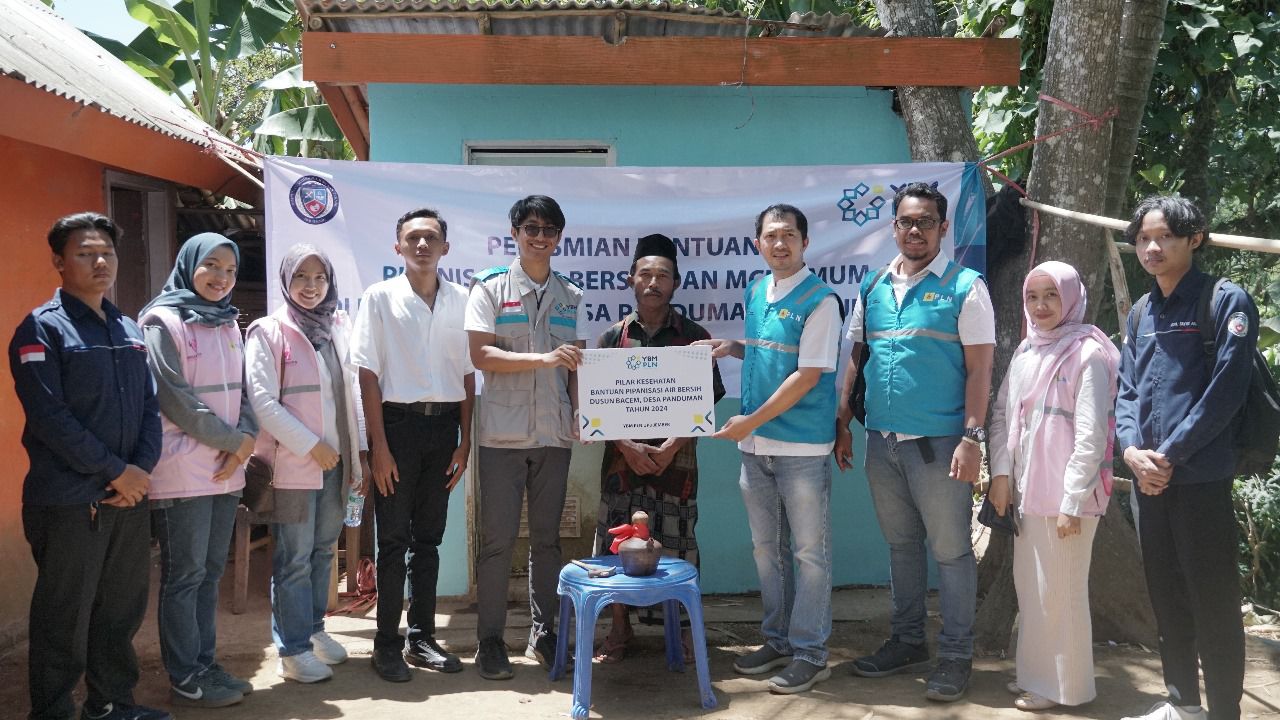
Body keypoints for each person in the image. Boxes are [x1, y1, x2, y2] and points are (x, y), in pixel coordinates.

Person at [834, 182, 994, 702]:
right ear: (893, 226)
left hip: (941, 443)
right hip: (884, 441)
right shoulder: (873, 285)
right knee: (901, 547)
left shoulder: (965, 286)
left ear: (943, 229)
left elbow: (980, 369)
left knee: (950, 553)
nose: (915, 230)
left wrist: (972, 437)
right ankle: (906, 641)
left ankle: (955, 655)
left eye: (926, 222)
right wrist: (842, 422)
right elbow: (856, 358)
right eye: (906, 221)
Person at [11, 212, 168, 720]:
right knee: (65, 614)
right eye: (84, 253)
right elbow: (50, 417)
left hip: (127, 497)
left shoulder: (126, 326)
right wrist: (113, 472)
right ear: (58, 261)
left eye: (107, 252)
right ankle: (54, 711)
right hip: (70, 500)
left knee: (119, 608)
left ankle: (111, 703)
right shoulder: (41, 329)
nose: (100, 262)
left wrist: (139, 472)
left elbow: (149, 407)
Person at [1117, 196, 1255, 720]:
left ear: (1194, 239)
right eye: (1143, 239)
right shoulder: (1140, 311)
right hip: (1148, 483)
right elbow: (1127, 391)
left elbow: (1227, 390)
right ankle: (1182, 706)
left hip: (1200, 479)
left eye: (1164, 237)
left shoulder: (1224, 301)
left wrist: (1168, 455)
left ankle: (1223, 711)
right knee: (1168, 598)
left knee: (1213, 601)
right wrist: (1132, 451)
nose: (1151, 248)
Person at [696, 204, 841, 695]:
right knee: (765, 552)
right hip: (755, 448)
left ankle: (810, 652)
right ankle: (777, 639)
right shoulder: (757, 290)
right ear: (757, 242)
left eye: (790, 236)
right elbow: (769, 350)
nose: (780, 244)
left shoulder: (822, 300)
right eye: (771, 236)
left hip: (800, 446)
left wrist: (749, 421)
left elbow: (807, 374)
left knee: (809, 554)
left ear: (805, 242)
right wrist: (733, 347)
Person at [987, 261, 1119, 712]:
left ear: (1071, 298)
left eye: (1051, 296)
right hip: (1027, 490)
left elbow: (1092, 436)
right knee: (1033, 588)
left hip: (1069, 498)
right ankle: (1037, 677)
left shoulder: (1088, 353)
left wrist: (1071, 502)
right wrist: (1001, 477)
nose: (1041, 306)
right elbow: (1004, 415)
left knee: (1061, 591)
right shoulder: (1027, 351)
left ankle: (1067, 688)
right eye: (1032, 296)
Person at [465, 195, 588, 680]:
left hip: (553, 433)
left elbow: (575, 364)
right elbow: (481, 355)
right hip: (502, 435)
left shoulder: (570, 295)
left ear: (559, 237)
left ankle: (545, 633)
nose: (540, 236)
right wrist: (543, 360)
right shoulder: (489, 289)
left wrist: (581, 413)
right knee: (496, 542)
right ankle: (491, 642)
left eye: (550, 229)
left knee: (547, 541)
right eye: (531, 227)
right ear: (514, 233)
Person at [350, 208, 474, 683]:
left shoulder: (463, 300)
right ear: (397, 247)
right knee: (393, 541)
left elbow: (468, 375)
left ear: (446, 247)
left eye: (431, 238)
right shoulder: (379, 298)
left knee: (429, 540)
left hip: (444, 432)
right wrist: (377, 447)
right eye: (413, 238)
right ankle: (386, 644)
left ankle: (422, 638)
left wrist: (463, 443)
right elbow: (368, 375)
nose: (422, 245)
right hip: (396, 430)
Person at [591, 234, 726, 663]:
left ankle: (683, 631)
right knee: (616, 549)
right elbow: (595, 406)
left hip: (677, 464)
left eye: (662, 275)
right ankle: (618, 631)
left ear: (676, 283)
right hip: (621, 464)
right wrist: (626, 445)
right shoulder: (613, 338)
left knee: (680, 547)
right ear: (630, 279)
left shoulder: (694, 337)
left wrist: (671, 446)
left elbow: (707, 401)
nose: (653, 282)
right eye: (645, 274)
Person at [140, 233, 258, 709]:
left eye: (229, 271)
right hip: (183, 470)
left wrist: (245, 441)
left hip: (227, 471)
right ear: (188, 265)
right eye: (211, 266)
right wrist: (236, 443)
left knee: (210, 574)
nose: (221, 278)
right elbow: (173, 399)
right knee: (184, 575)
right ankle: (185, 674)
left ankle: (207, 664)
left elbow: (246, 391)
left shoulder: (230, 323)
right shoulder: (161, 321)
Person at [245, 245, 368, 683]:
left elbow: (350, 395)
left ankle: (315, 631)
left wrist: (357, 457)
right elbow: (261, 401)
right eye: (301, 277)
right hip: (294, 466)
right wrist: (310, 444)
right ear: (285, 281)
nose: (311, 286)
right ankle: (292, 650)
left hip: (335, 463)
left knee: (321, 552)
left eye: (319, 278)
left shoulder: (337, 325)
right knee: (294, 558)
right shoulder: (268, 331)